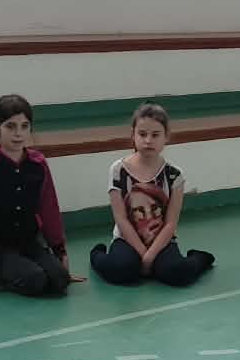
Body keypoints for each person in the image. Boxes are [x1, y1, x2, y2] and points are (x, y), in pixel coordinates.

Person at [88, 103, 215, 288]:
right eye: (142, 134)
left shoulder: (174, 175)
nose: (148, 140)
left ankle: (199, 258)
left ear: (166, 137)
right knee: (122, 269)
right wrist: (143, 254)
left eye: (155, 135)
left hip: (161, 240)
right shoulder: (118, 170)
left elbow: (171, 223)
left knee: (176, 273)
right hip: (127, 239)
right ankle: (97, 254)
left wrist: (150, 256)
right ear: (133, 135)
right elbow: (121, 219)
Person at [0, 94, 77, 298]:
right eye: (11, 126)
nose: (19, 133)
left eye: (24, 126)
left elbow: (49, 208)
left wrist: (60, 251)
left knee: (61, 279)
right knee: (35, 280)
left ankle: (29, 266)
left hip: (29, 242)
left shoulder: (38, 163)